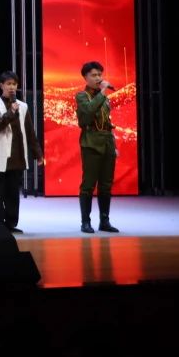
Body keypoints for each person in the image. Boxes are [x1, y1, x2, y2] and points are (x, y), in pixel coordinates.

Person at [0, 71, 42, 233]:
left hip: (16, 155)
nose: (11, 87)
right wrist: (11, 112)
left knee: (12, 194)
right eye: (8, 84)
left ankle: (11, 224)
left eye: (14, 84)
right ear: (1, 85)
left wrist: (37, 153)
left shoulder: (23, 106)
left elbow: (29, 131)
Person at [76, 60, 119, 233]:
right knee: (88, 184)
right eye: (94, 75)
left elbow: (108, 122)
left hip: (107, 143)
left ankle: (104, 221)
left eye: (99, 74)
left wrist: (114, 145)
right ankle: (85, 222)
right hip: (91, 143)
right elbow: (88, 113)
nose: (98, 78)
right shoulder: (81, 96)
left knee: (106, 184)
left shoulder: (104, 98)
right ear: (85, 77)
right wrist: (102, 92)